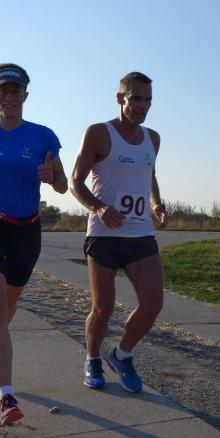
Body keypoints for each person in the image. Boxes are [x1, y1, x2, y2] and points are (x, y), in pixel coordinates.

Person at [0, 63, 68, 425]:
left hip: (27, 231)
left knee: (7, 309)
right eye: (2, 91)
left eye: (15, 91)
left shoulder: (43, 136)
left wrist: (52, 177)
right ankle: (7, 397)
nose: (9, 97)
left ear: (25, 95)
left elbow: (63, 185)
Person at [69, 71, 168, 393]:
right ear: (120, 98)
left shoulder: (153, 138)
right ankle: (93, 358)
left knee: (153, 304)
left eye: (148, 100)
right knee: (103, 308)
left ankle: (122, 354)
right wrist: (98, 207)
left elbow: (149, 174)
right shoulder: (99, 133)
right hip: (104, 235)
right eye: (136, 98)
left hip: (141, 235)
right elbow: (75, 181)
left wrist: (156, 204)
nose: (142, 106)